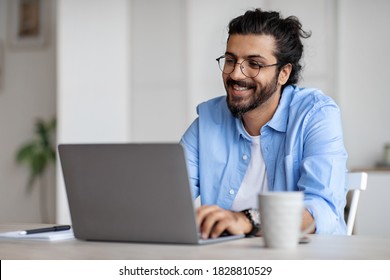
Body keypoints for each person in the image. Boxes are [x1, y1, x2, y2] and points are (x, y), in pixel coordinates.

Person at [180, 8, 348, 238]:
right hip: (226, 261)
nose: (236, 74)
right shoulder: (208, 121)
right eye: (231, 60)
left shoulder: (316, 114)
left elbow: (322, 209)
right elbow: (168, 199)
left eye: (254, 63)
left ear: (283, 73)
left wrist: (248, 220)